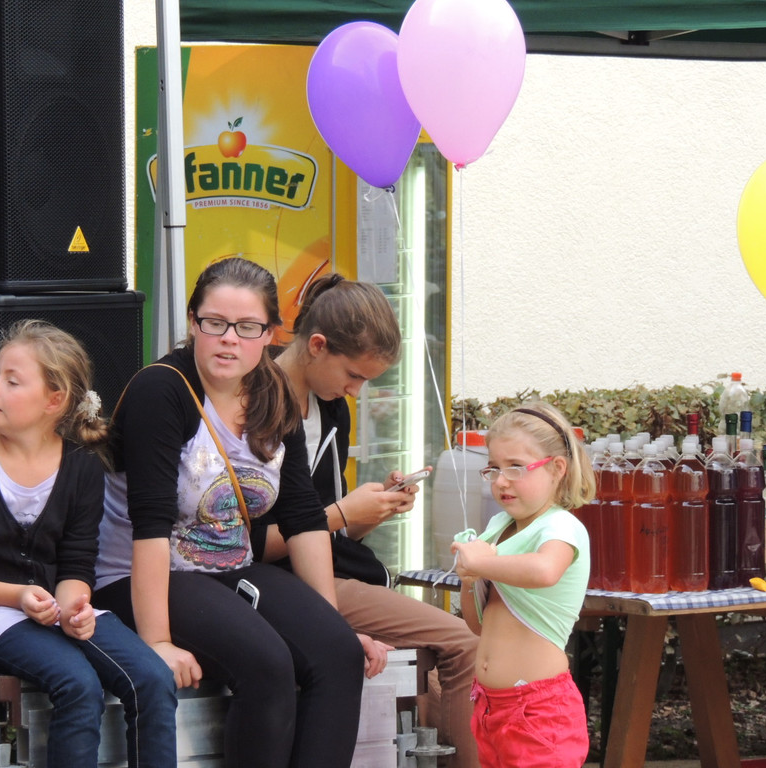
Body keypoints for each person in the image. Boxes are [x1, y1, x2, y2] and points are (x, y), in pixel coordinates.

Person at [93, 257, 370, 768]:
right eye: (214, 323)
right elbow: (150, 524)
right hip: (138, 576)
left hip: (229, 570)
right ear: (193, 322)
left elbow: (304, 517)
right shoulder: (163, 389)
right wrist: (157, 642)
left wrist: (327, 622)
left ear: (270, 333)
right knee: (267, 664)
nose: (228, 340)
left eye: (247, 327)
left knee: (339, 652)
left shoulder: (275, 393)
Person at [0, 320, 176, 768]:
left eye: (12, 381)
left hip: (51, 607)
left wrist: (75, 610)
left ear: (54, 400)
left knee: (153, 678)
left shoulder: (82, 468)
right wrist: (18, 595)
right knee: (78, 684)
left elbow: (76, 565)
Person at [253, 274, 480, 768]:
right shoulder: (258, 400)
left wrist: (370, 510)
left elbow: (328, 529)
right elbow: (247, 542)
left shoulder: (331, 408)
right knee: (461, 642)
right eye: (353, 375)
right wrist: (341, 513)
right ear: (317, 346)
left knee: (432, 662)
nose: (355, 391)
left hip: (325, 569)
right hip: (279, 578)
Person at [450, 403, 593, 768]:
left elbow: (545, 571)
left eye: (515, 467)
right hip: (490, 706)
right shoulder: (498, 527)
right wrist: (469, 580)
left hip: (538, 710)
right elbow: (478, 625)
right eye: (494, 468)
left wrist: (481, 562)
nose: (501, 481)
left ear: (557, 468)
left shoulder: (561, 526)